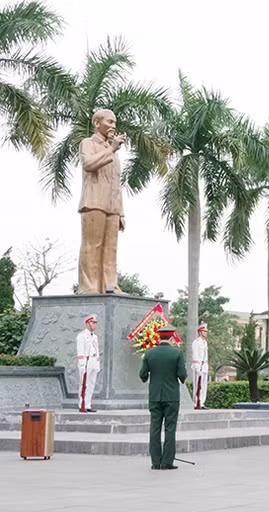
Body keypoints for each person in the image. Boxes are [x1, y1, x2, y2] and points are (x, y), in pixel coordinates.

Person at [77, 109, 127, 294]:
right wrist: (111, 148)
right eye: (110, 122)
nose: (113, 126)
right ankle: (88, 287)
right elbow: (88, 164)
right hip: (94, 202)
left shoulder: (114, 152)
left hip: (112, 205)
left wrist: (120, 212)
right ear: (97, 123)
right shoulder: (88, 143)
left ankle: (110, 285)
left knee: (110, 249)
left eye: (115, 122)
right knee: (92, 245)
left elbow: (116, 183)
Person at [139, 325, 187, 470]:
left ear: (159, 337)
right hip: (171, 396)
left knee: (154, 428)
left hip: (154, 396)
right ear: (171, 337)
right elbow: (182, 376)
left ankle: (155, 462)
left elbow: (142, 375)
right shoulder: (177, 353)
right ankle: (167, 461)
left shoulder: (149, 353)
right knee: (170, 428)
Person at [76, 314, 101, 413]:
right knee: (84, 384)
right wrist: (82, 365)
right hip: (86, 362)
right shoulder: (82, 336)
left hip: (93, 361)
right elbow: (80, 351)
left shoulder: (95, 337)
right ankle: (82, 404)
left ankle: (88, 404)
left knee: (91, 384)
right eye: (92, 322)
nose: (94, 325)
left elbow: (97, 351)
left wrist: (97, 364)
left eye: (95, 323)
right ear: (87, 323)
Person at [191, 323, 209, 410]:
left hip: (204, 365)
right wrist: (197, 367)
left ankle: (202, 402)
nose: (206, 333)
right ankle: (196, 402)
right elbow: (195, 355)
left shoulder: (205, 342)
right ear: (200, 332)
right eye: (205, 331)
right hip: (198, 365)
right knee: (197, 385)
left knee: (203, 385)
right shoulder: (196, 342)